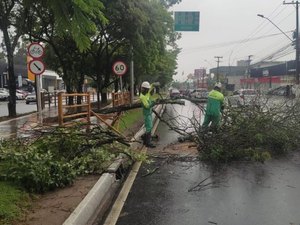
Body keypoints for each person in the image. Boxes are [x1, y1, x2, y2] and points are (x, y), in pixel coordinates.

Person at [139, 81, 158, 148]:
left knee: (150, 126)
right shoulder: (142, 97)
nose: (148, 90)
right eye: (146, 89)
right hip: (146, 114)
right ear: (143, 89)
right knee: (149, 127)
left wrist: (153, 84)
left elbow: (150, 88)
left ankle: (144, 139)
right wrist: (153, 103)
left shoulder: (146, 94)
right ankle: (148, 142)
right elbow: (147, 106)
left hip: (149, 113)